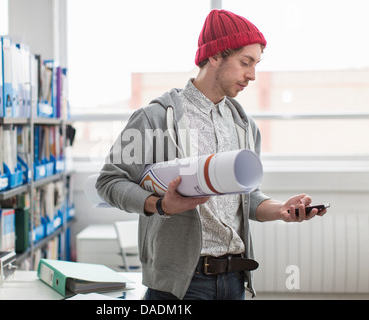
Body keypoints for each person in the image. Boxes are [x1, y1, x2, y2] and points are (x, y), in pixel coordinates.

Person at [95, 9, 327, 300]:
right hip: (181, 284)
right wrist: (160, 204)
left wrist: (281, 209)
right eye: (246, 62)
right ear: (215, 56)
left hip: (234, 280)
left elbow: (246, 197)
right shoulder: (153, 118)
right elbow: (109, 182)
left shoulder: (244, 126)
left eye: (255, 64)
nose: (252, 75)